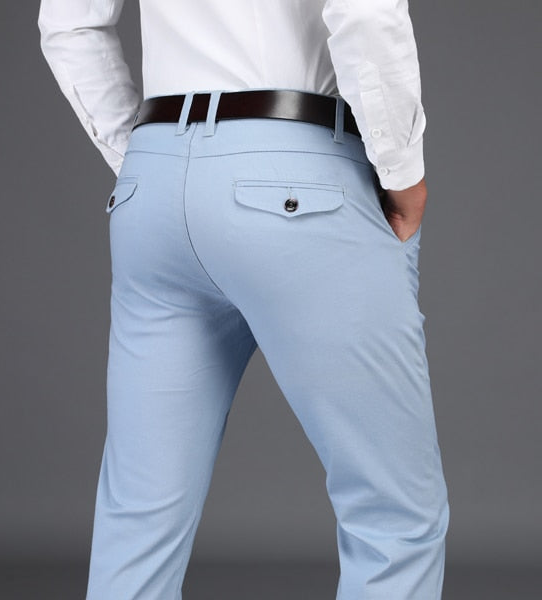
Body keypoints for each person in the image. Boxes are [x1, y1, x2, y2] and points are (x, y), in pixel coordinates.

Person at [37, 1, 450, 598]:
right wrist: (402, 170)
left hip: (153, 185)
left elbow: (67, 22)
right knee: (396, 517)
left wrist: (142, 159)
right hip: (296, 177)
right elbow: (363, 11)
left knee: (139, 517)